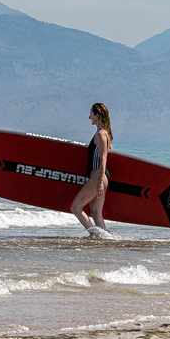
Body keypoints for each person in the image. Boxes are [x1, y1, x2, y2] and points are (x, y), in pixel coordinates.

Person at [70, 102, 115, 239]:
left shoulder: (101, 134)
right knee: (96, 212)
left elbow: (103, 159)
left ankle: (96, 235)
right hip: (100, 176)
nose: (89, 117)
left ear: (97, 115)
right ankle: (108, 239)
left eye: (91, 113)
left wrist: (100, 181)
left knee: (76, 208)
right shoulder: (104, 133)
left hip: (98, 176)